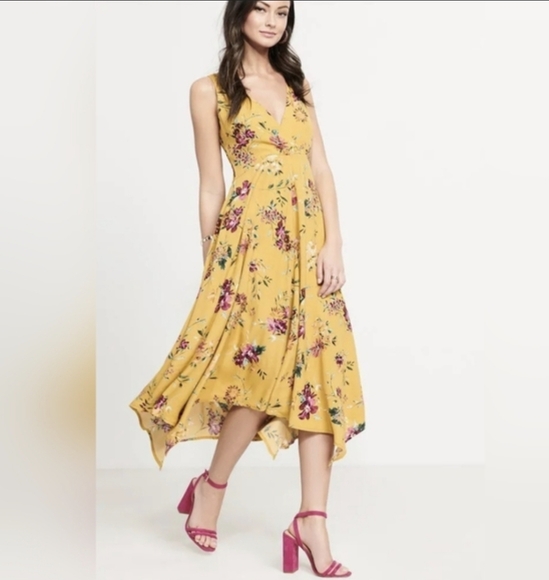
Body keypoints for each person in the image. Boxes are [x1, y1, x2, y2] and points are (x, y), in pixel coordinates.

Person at [129, 1, 365, 576]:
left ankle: (312, 520)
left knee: (317, 373)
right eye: (260, 7)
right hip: (251, 247)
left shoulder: (298, 85)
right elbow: (211, 184)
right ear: (238, 13)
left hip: (309, 245)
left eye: (282, 11)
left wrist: (334, 243)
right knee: (257, 370)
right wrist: (212, 261)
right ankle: (211, 487)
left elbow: (321, 169)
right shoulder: (208, 91)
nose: (271, 20)